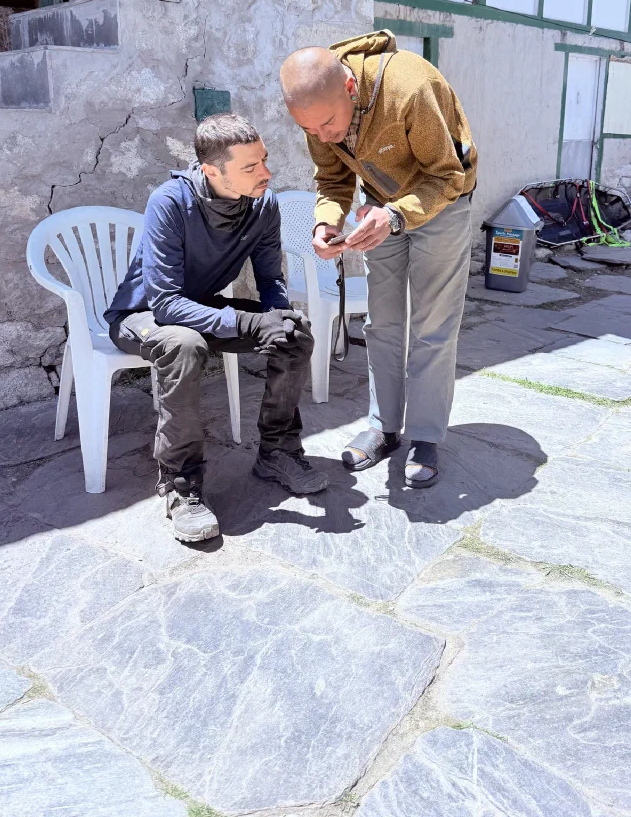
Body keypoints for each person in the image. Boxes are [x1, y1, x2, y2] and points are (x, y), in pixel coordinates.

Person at [105, 114, 325, 544]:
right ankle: (179, 482)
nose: (265, 173)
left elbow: (269, 277)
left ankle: (278, 450)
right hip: (143, 315)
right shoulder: (169, 202)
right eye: (250, 167)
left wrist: (277, 318)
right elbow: (166, 303)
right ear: (212, 170)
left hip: (202, 307)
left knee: (296, 335)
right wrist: (247, 321)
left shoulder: (264, 203)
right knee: (184, 345)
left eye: (264, 160)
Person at [280, 30, 477, 488]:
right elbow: (331, 181)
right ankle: (383, 427)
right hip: (380, 211)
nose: (323, 136)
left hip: (441, 206)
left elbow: (448, 176)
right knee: (381, 324)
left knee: (431, 328)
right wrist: (324, 223)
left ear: (350, 87)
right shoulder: (316, 113)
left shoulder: (409, 87)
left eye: (328, 124)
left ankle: (425, 436)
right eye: (310, 130)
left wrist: (394, 215)